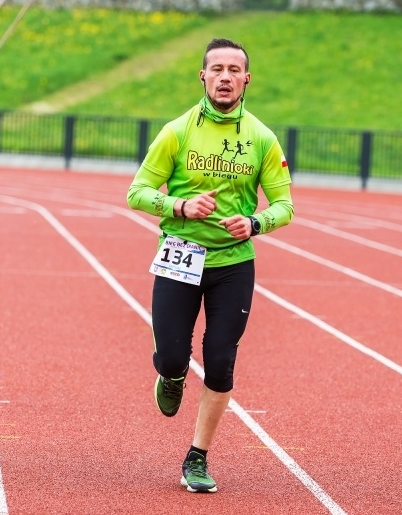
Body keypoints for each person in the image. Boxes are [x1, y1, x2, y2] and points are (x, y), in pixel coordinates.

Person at [126, 38, 294, 493]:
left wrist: (255, 222)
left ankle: (196, 458)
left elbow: (285, 206)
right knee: (173, 356)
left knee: (220, 360)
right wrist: (180, 207)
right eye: (216, 69)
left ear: (246, 79)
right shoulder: (177, 131)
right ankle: (172, 375)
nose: (224, 76)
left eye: (233, 70)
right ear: (202, 76)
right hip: (180, 256)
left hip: (233, 264)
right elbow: (137, 192)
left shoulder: (261, 138)